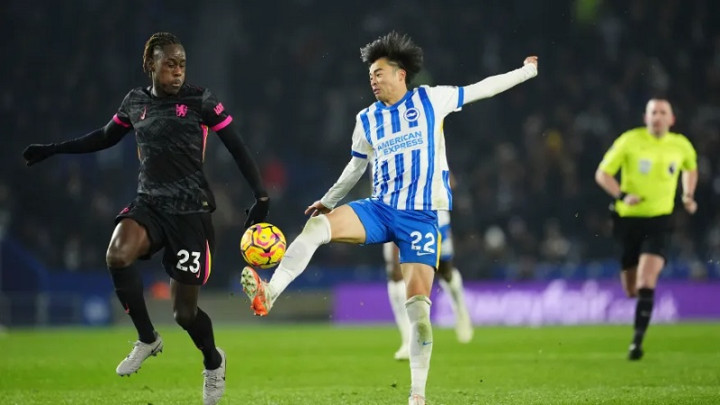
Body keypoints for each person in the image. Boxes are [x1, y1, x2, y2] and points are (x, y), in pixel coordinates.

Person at [240, 31, 536, 404]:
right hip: (380, 209)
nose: (373, 80)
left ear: (400, 74)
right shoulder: (367, 118)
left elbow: (483, 89)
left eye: (379, 73)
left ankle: (417, 395)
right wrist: (328, 201)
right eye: (370, 75)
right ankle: (270, 292)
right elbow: (355, 168)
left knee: (420, 313)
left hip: (420, 218)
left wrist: (525, 72)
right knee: (316, 227)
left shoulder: (431, 99)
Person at [22, 32, 269, 405]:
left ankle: (214, 361)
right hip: (150, 203)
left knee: (184, 314)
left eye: (182, 64)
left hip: (191, 211)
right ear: (150, 64)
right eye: (170, 64)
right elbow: (104, 137)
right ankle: (147, 338)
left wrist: (261, 195)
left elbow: (236, 145)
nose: (178, 72)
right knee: (117, 254)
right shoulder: (135, 102)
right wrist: (55, 150)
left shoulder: (201, 100)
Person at [595, 98, 697, 361]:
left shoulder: (681, 145)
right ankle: (641, 305)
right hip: (628, 220)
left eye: (663, 112)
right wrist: (622, 195)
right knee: (632, 289)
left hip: (660, 220)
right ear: (646, 117)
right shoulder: (630, 140)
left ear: (671, 119)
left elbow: (690, 168)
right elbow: (603, 174)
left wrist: (688, 195)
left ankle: (636, 343)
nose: (658, 117)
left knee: (645, 281)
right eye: (653, 112)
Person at [385, 196, 473, 362]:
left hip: (432, 211)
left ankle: (460, 310)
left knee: (445, 271)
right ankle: (407, 340)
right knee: (396, 273)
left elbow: (451, 183)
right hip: (396, 210)